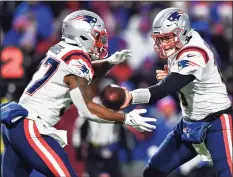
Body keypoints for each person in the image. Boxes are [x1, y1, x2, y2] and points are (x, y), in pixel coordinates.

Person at [0, 10, 157, 177]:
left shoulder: (63, 49)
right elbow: (87, 109)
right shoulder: (77, 60)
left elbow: (83, 74)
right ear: (82, 36)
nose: (101, 42)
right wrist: (125, 118)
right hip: (30, 126)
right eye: (96, 37)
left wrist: (110, 63)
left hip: (16, 124)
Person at [121, 8, 232, 177]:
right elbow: (186, 79)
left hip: (216, 123)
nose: (163, 44)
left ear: (182, 32)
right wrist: (175, 77)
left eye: (166, 38)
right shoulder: (182, 43)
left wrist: (130, 97)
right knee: (153, 172)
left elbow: (163, 89)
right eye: (160, 38)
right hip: (189, 124)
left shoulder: (195, 52)